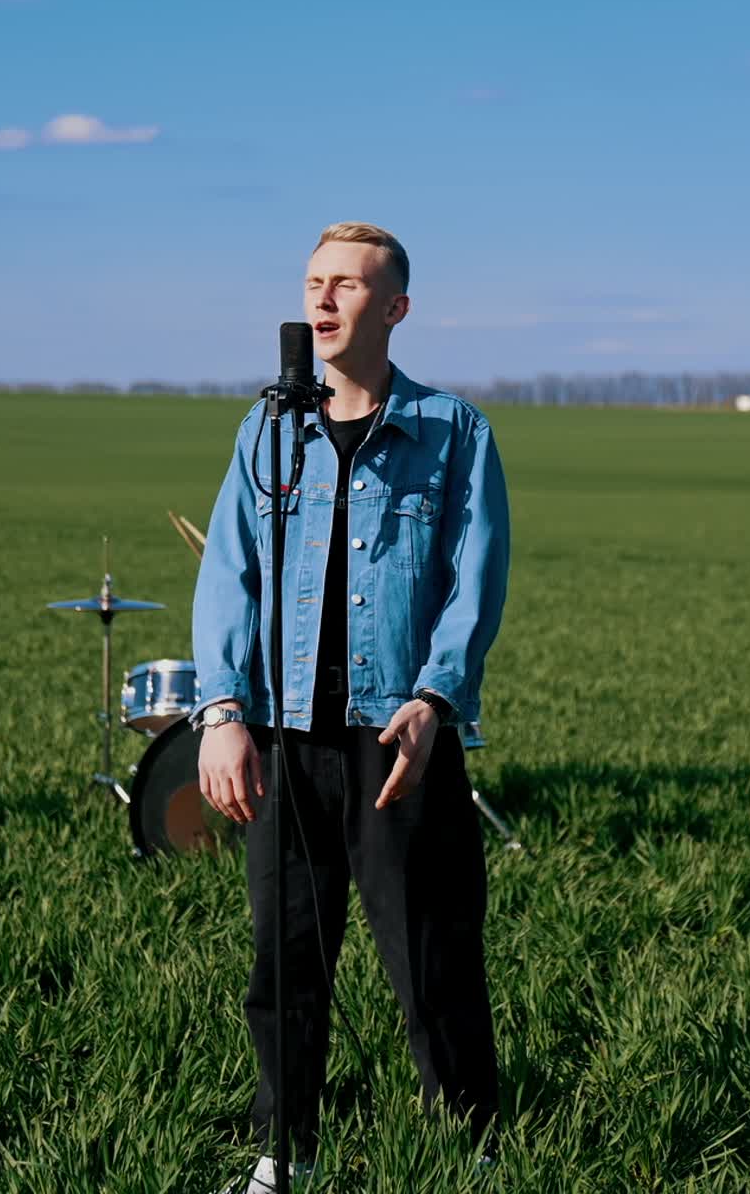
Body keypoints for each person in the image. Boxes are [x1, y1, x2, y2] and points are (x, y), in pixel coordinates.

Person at [190, 222, 511, 1193]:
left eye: (348, 285)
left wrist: (435, 696)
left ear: (396, 307)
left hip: (396, 738)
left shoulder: (453, 431)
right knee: (283, 960)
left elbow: (476, 575)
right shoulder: (268, 428)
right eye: (312, 281)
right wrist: (221, 709)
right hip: (283, 736)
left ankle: (473, 1152)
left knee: (433, 959)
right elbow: (227, 573)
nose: (323, 299)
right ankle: (284, 1151)